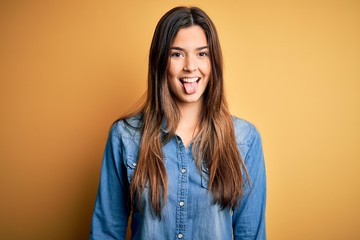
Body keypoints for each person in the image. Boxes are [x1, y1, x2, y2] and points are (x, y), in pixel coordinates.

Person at [90, 6, 266, 240]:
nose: (190, 66)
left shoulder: (245, 139)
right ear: (161, 61)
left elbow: (251, 235)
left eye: (202, 53)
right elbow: (106, 232)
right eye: (177, 54)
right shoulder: (125, 136)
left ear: (213, 62)